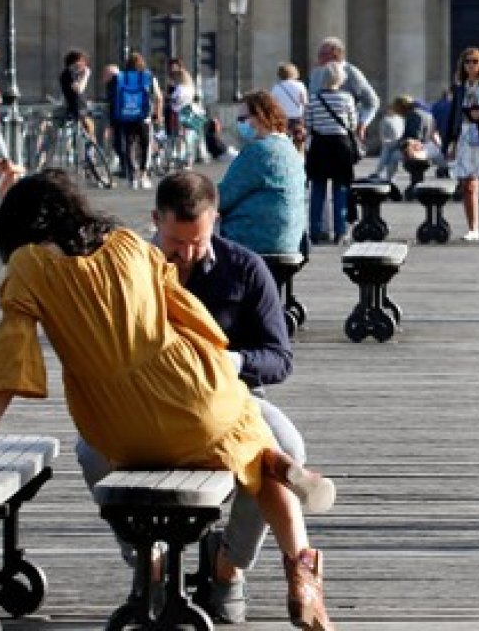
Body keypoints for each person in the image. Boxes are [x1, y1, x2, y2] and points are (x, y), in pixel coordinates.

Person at [0, 170, 335, 629]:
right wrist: (210, 370)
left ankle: (152, 572)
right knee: (259, 451)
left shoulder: (28, 268)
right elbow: (192, 318)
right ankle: (302, 577)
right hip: (196, 396)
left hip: (118, 423)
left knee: (100, 456)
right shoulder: (128, 245)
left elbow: (6, 370)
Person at [74, 170, 307, 623]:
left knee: (289, 451)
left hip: (231, 402)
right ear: (155, 220)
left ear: (216, 220)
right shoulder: (127, 271)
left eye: (198, 242)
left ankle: (229, 567)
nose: (187, 254)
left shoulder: (246, 268)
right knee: (89, 451)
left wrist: (231, 362)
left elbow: (280, 357)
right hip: (147, 404)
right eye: (176, 243)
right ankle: (148, 563)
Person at [219, 90, 307, 255]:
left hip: (254, 239)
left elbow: (222, 197)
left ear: (259, 117)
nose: (240, 125)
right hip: (288, 240)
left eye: (242, 119)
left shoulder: (259, 151)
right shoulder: (288, 147)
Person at [446, 48, 479, 241]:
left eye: (475, 61)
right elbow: (454, 115)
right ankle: (473, 228)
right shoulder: (459, 87)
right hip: (465, 134)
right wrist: (450, 142)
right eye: (467, 61)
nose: (470, 65)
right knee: (468, 184)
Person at [305, 60, 359, 245]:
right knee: (340, 190)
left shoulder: (314, 99)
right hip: (341, 146)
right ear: (341, 79)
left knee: (318, 190)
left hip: (320, 145)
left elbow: (309, 124)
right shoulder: (347, 98)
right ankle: (340, 231)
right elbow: (352, 123)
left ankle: (315, 231)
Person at [308, 36, 380, 150]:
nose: (318, 57)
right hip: (318, 136)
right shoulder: (316, 72)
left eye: (322, 54)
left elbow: (372, 102)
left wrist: (362, 124)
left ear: (335, 54)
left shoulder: (352, 73)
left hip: (342, 135)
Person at [112, 51, 164, 190]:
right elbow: (159, 97)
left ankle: (132, 177)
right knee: (146, 145)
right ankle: (143, 175)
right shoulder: (148, 77)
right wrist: (158, 114)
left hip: (126, 115)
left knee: (129, 145)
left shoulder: (121, 77)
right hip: (144, 117)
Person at [272, 62, 309, 153]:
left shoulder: (276, 88)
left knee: (283, 145)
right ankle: (299, 162)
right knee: (299, 144)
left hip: (283, 119)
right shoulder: (300, 85)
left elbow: (273, 105)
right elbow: (304, 102)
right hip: (298, 119)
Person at [59, 48, 94, 140]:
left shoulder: (73, 74)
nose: (84, 65)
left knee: (89, 137)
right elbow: (79, 89)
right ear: (76, 61)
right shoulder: (69, 73)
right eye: (83, 61)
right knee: (87, 138)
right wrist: (86, 75)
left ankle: (88, 153)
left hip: (81, 109)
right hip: (78, 111)